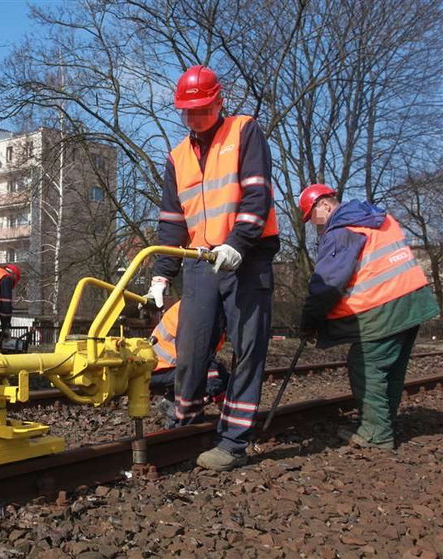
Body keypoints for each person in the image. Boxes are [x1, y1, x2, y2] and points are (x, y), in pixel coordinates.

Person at [148, 65, 279, 471]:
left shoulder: (244, 131)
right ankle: (184, 419)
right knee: (191, 347)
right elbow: (172, 221)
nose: (194, 118)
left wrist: (238, 244)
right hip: (201, 262)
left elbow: (257, 194)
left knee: (246, 350)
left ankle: (233, 441)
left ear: (218, 102)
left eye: (202, 109)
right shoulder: (177, 157)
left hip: (247, 257)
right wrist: (161, 273)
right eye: (188, 112)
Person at [298, 184, 438, 450]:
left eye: (312, 216)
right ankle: (382, 422)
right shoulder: (378, 219)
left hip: (384, 307)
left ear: (325, 205)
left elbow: (328, 283)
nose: (313, 224)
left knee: (366, 364)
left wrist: (310, 320)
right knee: (391, 368)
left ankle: (376, 433)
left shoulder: (342, 231)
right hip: (412, 301)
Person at [150, 301, 229, 413]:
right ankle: (177, 419)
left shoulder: (201, 303)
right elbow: (201, 361)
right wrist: (220, 397)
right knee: (203, 379)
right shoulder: (202, 313)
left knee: (221, 377)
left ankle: (171, 401)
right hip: (160, 368)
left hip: (167, 366)